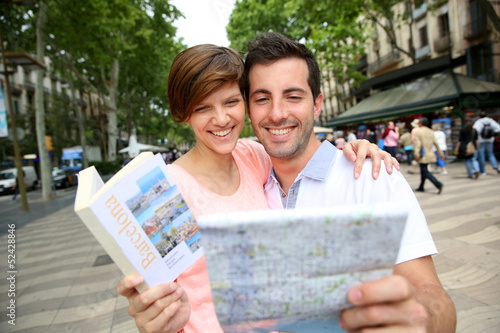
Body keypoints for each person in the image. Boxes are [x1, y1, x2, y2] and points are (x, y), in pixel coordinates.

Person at [116, 44, 399, 333]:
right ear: (183, 114)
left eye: (230, 102)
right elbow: (161, 301)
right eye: (202, 108)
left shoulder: (252, 156)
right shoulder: (164, 192)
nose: (222, 119)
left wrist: (355, 149)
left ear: (246, 104)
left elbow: (302, 155)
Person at [243, 32, 455, 332]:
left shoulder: (371, 177)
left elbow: (430, 292)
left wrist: (420, 321)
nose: (277, 114)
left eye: (293, 96)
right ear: (249, 109)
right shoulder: (249, 185)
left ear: (316, 105)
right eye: (262, 99)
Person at [414, 117, 445, 194]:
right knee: (423, 170)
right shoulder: (431, 131)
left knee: (425, 171)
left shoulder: (418, 132)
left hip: (422, 155)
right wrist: (441, 154)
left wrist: (416, 154)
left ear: (421, 123)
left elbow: (418, 145)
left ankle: (438, 184)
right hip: (430, 154)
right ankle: (421, 187)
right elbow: (436, 144)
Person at [473, 111, 500, 175]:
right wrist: (493, 134)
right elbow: (498, 129)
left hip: (481, 141)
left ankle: (482, 171)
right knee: (490, 154)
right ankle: (495, 165)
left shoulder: (478, 122)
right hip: (490, 140)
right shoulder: (490, 121)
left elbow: (475, 130)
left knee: (481, 156)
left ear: (479, 116)